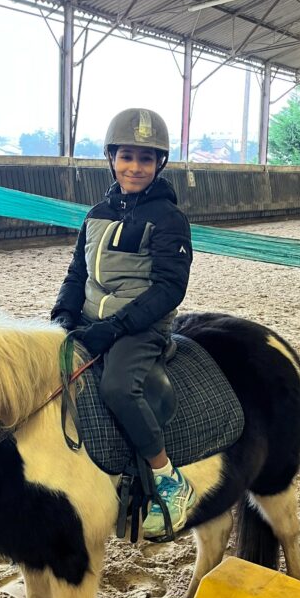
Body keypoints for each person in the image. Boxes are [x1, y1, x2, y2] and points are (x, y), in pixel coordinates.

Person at [51, 108, 195, 539]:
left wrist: (114, 328)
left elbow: (170, 289)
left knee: (117, 387)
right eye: (127, 156)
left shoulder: (170, 219)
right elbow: (78, 272)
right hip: (89, 318)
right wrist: (62, 314)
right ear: (112, 158)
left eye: (146, 159)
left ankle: (168, 478)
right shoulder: (96, 213)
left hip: (140, 327)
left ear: (159, 165)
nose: (135, 167)